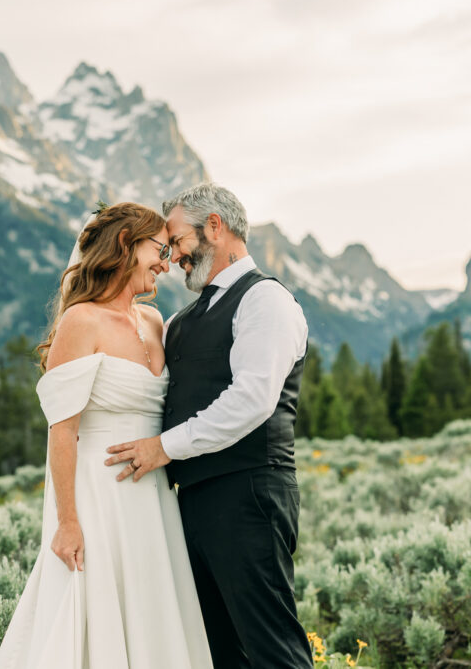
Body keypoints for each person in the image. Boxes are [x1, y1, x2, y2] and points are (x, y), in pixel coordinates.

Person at [0, 201, 213, 669]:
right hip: (99, 495)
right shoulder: (81, 322)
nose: (167, 261)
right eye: (160, 248)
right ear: (124, 246)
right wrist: (66, 521)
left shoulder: (153, 321)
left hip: (152, 496)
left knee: (153, 612)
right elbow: (62, 430)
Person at [105, 183, 314, 669]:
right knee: (217, 651)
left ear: (215, 227)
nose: (172, 255)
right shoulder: (180, 319)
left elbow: (252, 399)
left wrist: (163, 447)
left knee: (271, 645)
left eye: (178, 241)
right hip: (190, 500)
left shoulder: (265, 300)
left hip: (249, 494)